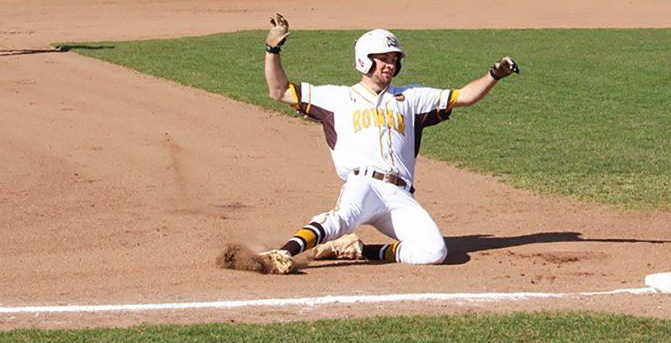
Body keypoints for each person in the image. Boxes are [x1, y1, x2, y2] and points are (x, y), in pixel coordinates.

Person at [223, 15, 520, 275]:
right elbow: (278, 91)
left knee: (434, 252)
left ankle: (358, 250)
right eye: (384, 58)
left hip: (399, 194)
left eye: (394, 60)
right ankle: (284, 252)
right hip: (363, 183)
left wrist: (494, 75)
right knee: (344, 217)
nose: (390, 65)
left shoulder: (412, 99)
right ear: (365, 59)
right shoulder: (337, 98)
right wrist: (273, 49)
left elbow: (464, 96)